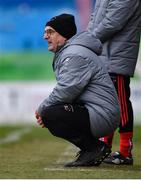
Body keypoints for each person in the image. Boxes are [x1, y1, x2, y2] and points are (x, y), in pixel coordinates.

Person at [35, 13, 120, 167]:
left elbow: (66, 90)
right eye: (45, 32)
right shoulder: (72, 51)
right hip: (98, 112)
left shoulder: (74, 54)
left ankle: (93, 148)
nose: (45, 36)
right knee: (52, 112)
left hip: (102, 115)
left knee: (50, 113)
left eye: (50, 32)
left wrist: (42, 108)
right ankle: (92, 148)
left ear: (65, 34)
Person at [87, 0, 141, 165]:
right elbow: (94, 18)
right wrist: (88, 38)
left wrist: (89, 40)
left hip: (117, 55)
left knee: (121, 103)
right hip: (105, 55)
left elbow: (112, 23)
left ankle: (125, 151)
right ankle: (103, 146)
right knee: (107, 103)